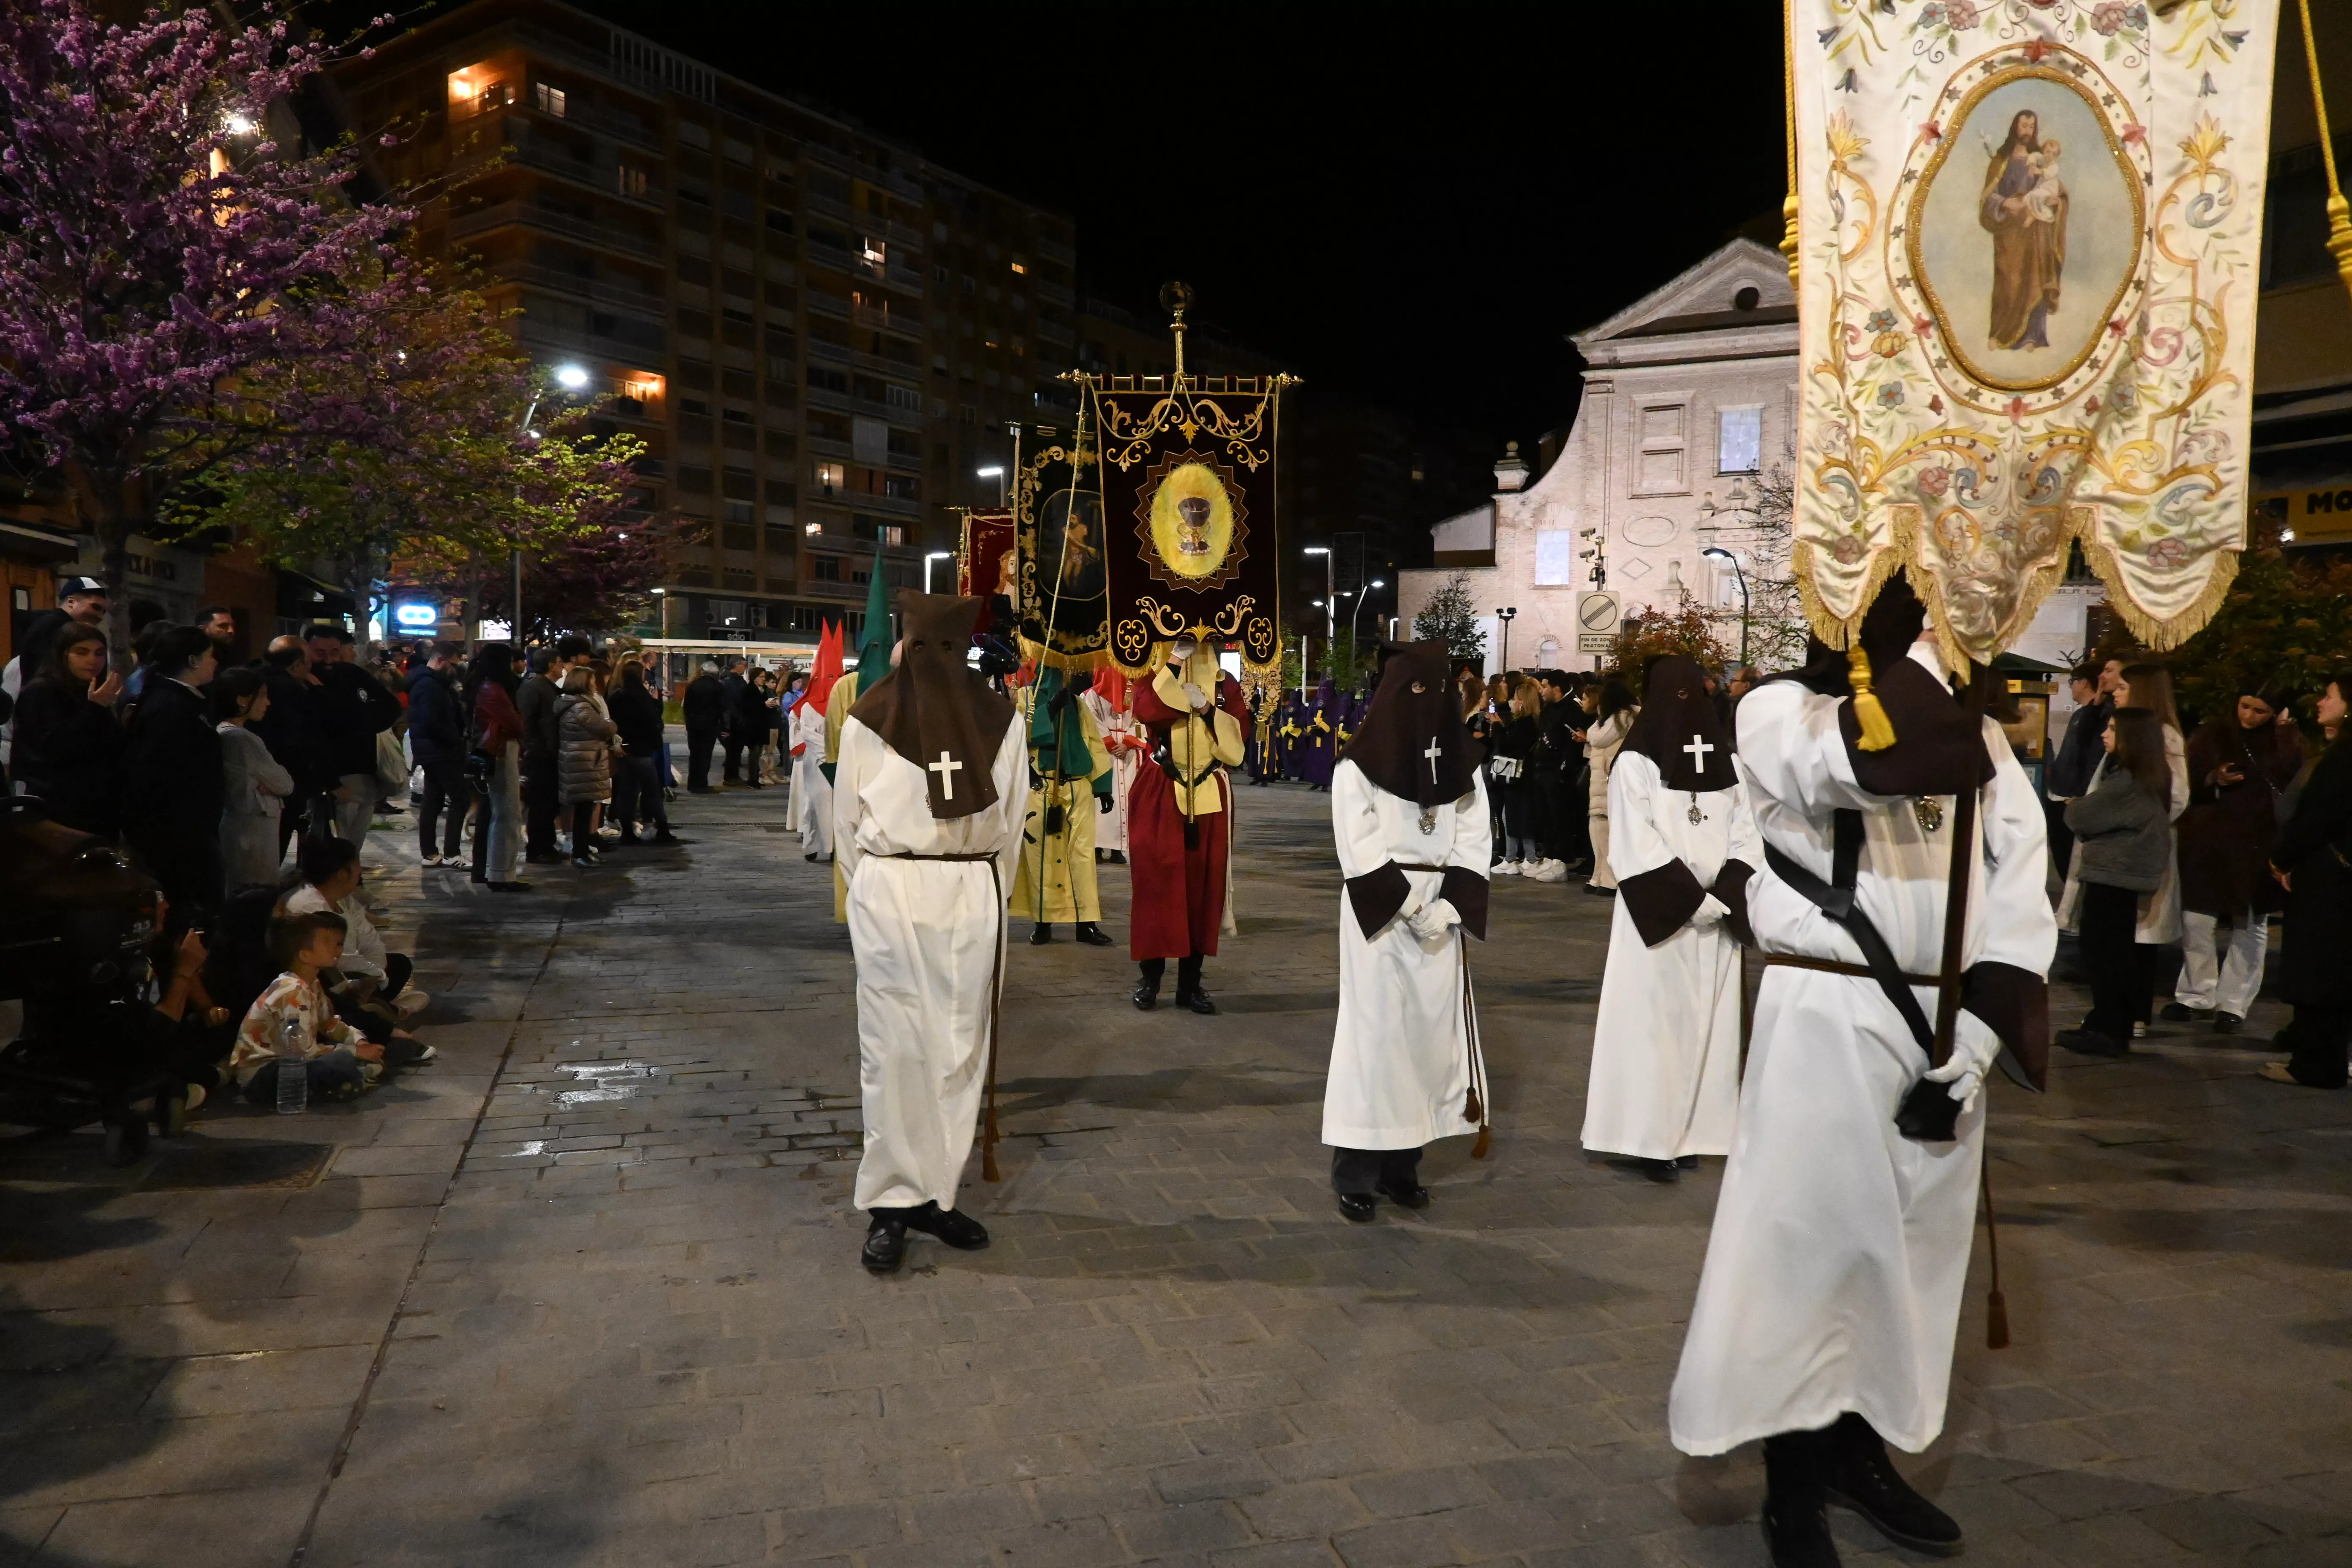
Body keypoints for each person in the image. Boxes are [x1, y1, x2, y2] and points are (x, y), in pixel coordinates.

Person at [1669, 578, 2053, 1567]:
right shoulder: (1776, 713)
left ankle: (1857, 1453)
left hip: (1942, 1022)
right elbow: (1867, 762)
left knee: (1907, 1267)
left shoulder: (1983, 738)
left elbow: (2019, 874)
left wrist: (1974, 1041)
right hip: (1826, 1014)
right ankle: (1791, 1484)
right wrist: (1936, 666)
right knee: (1809, 1258)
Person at [831, 593, 1025, 1274]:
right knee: (892, 1052)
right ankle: (891, 1205)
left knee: (957, 1047)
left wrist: (982, 896)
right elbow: (847, 829)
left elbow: (1013, 829)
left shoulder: (1003, 724)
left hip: (970, 890)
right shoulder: (867, 722)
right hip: (892, 893)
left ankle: (937, 1195)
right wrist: (875, 898)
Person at [1320, 639, 1492, 1222]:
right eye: (1416, 690)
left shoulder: (1463, 763)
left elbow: (1475, 834)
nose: (1428, 701)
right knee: (1376, 1042)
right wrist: (1408, 906)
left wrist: (1449, 907)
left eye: (1437, 690)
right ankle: (1355, 1173)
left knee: (1424, 1043)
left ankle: (1404, 1167)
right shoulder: (1357, 763)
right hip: (1384, 918)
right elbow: (1357, 842)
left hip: (1440, 916)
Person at [1584, 656, 1760, 1182]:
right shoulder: (1635, 764)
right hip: (1659, 918)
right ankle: (1644, 1137)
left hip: (1714, 918)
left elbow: (1748, 835)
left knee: (1709, 1027)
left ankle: (1690, 1133)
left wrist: (1726, 892)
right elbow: (1635, 840)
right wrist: (1688, 899)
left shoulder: (1728, 766)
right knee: (1653, 1026)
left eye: (1698, 697)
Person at [2164, 685, 2302, 1033]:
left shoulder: (2287, 740)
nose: (2249, 717)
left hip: (2258, 843)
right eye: (2245, 706)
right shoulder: (2213, 734)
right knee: (2197, 919)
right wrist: (2212, 777)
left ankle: (2234, 1003)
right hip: (2207, 840)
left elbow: (2296, 782)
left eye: (2260, 711)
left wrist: (2285, 732)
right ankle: (2196, 994)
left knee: (2250, 923)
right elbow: (2184, 780)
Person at [1127, 632, 1249, 1013]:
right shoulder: (1153, 676)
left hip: (1208, 793)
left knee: (1201, 890)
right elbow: (1149, 711)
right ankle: (1151, 979)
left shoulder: (1225, 686)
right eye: (1184, 641)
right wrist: (1175, 666)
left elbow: (1239, 743)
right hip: (1162, 789)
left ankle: (1191, 985)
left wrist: (1210, 710)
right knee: (1156, 886)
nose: (1195, 647)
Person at [2057, 709, 2175, 1057]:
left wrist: (2075, 805)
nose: (2104, 734)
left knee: (2105, 954)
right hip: (2118, 875)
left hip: (2115, 875)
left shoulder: (2129, 781)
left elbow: (2081, 815)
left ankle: (2108, 1029)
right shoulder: (2140, 775)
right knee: (2112, 953)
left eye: (2112, 729)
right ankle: (2108, 1024)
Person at [2261, 674, 2352, 1089]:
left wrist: (2282, 857)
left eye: (2330, 696)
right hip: (2328, 875)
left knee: (2320, 969)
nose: (2320, 702)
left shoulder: (2344, 758)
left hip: (2329, 880)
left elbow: (2320, 817)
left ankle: (2317, 1063)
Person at [120, 626, 223, 924]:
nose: (214, 662)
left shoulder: (182, 700)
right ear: (193, 660)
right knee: (190, 910)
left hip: (189, 829)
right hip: (178, 834)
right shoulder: (171, 706)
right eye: (209, 656)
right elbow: (157, 772)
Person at [227, 912, 381, 1106]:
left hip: (290, 1065)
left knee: (343, 1060)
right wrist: (353, 1053)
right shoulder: (293, 990)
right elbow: (303, 1050)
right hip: (264, 1075)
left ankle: (353, 1076)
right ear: (305, 955)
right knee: (340, 1062)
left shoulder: (311, 983)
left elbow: (330, 1023)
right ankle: (353, 1076)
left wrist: (360, 1042)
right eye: (326, 942)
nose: (337, 948)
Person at [1013, 667, 1117, 945]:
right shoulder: (1026, 697)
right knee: (1041, 858)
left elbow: (1094, 744)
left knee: (1083, 859)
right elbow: (1021, 736)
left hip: (1078, 787)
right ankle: (1043, 922)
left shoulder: (1079, 704)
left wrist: (1103, 785)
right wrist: (1049, 709)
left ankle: (1087, 924)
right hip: (1042, 788)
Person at [283, 837, 429, 1030]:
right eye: (357, 865)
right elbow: (339, 958)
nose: (361, 871)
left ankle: (374, 1009)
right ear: (343, 874)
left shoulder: (344, 899)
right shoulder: (309, 906)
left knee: (400, 965)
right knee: (335, 988)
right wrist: (374, 977)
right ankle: (380, 1013)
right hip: (325, 977)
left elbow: (371, 941)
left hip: (356, 975)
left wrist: (376, 976)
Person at [9, 622, 125, 837]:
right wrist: (94, 709)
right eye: (82, 653)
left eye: (99, 653)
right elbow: (55, 748)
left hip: (97, 805)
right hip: (59, 806)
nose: (93, 661)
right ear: (63, 655)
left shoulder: (88, 691)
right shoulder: (41, 692)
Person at [302, 623, 398, 850]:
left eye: (334, 652)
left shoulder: (352, 674)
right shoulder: (305, 682)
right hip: (329, 773)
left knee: (356, 836)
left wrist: (357, 719)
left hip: (365, 767)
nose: (328, 660)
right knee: (329, 838)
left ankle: (351, 872)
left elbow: (391, 708)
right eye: (320, 653)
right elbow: (321, 725)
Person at [211, 667, 294, 890]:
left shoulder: (222, 733)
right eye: (263, 696)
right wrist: (272, 783)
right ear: (242, 700)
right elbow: (285, 784)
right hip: (252, 829)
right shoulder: (240, 738)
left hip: (243, 825)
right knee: (256, 891)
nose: (268, 703)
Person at [466, 644, 530, 891]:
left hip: (497, 750)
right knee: (507, 813)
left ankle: (498, 873)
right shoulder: (492, 689)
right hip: (501, 750)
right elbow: (513, 723)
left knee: (502, 813)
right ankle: (502, 875)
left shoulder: (481, 685)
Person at [2043, 662, 2112, 879]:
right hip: (2058, 793)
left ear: (2084, 683)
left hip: (2073, 797)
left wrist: (2081, 795)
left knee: (2069, 857)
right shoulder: (2080, 715)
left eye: (2073, 682)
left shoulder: (2103, 714)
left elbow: (2094, 758)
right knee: (2060, 853)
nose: (2071, 687)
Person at [407, 641, 470, 868]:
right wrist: (455, 739)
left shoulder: (430, 683)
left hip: (432, 750)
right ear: (441, 660)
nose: (455, 668)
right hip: (439, 750)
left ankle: (430, 853)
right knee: (460, 798)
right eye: (453, 664)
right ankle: (451, 853)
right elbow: (432, 721)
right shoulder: (430, 685)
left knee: (433, 801)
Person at [608, 658, 680, 846]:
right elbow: (652, 724)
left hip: (624, 750)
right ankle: (662, 829)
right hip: (643, 751)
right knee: (652, 791)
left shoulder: (617, 697)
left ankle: (627, 832)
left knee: (627, 793)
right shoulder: (643, 697)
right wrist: (656, 745)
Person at [517, 641, 576, 860]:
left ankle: (547, 846)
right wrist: (533, 749)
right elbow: (527, 723)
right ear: (551, 666)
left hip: (550, 753)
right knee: (541, 804)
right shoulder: (534, 687)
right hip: (540, 756)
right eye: (560, 663)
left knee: (549, 804)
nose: (562, 667)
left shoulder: (547, 688)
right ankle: (537, 849)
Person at [554, 665, 617, 867]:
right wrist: (611, 723)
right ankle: (579, 853)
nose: (594, 684)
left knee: (585, 809)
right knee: (583, 810)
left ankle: (582, 852)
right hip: (583, 762)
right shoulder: (581, 706)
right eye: (590, 680)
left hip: (580, 761)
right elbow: (604, 727)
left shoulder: (569, 703)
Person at [1582, 675, 1638, 896]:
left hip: (1609, 780)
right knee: (1598, 829)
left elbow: (1598, 739)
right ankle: (1599, 875)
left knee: (1605, 830)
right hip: (1602, 780)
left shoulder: (1622, 718)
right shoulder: (1617, 718)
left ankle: (1611, 879)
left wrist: (1597, 721)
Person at [1084, 671, 1142, 863]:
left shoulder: (1135, 693)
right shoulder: (1091, 696)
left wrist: (1128, 743)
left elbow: (1139, 719)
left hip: (1128, 753)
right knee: (1101, 800)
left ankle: (1119, 848)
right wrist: (1108, 743)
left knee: (1124, 800)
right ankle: (1098, 847)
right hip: (1102, 752)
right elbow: (1092, 721)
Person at [1487, 678, 1542, 876]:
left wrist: (1498, 727)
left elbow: (1508, 745)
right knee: (1514, 815)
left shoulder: (1525, 724)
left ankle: (1520, 858)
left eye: (1516, 698)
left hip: (1519, 775)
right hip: (1521, 775)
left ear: (1523, 701)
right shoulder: (1527, 722)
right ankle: (1519, 857)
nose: (1513, 702)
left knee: (1515, 816)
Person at [791, 666, 834, 859]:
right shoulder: (808, 707)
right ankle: (813, 846)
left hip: (837, 761)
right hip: (817, 762)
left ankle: (835, 847)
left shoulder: (841, 704)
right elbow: (808, 734)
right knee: (814, 804)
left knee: (838, 805)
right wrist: (828, 755)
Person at [682, 659, 726, 793]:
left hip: (694, 725)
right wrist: (723, 726)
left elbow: (687, 706)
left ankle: (692, 783)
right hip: (709, 725)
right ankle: (701, 784)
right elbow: (722, 708)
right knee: (705, 755)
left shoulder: (693, 685)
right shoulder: (718, 687)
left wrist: (689, 722)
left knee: (694, 755)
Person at [720, 657, 758, 787]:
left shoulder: (737, 680)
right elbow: (736, 701)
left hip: (738, 720)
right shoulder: (731, 682)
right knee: (733, 750)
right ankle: (731, 776)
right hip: (734, 721)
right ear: (737, 666)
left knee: (737, 750)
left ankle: (734, 775)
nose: (745, 668)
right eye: (743, 665)